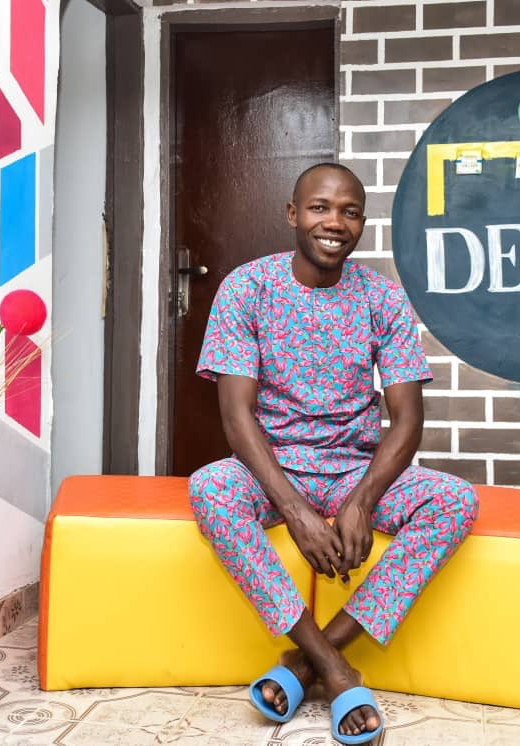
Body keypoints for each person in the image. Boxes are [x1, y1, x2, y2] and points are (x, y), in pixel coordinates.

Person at [188, 162, 478, 745]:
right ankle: (338, 672)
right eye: (320, 208)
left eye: (350, 212)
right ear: (293, 214)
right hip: (272, 468)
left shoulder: (382, 297)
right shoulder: (247, 288)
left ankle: (305, 662)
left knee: (454, 501)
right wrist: (296, 512)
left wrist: (362, 501)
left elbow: (408, 419)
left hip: (353, 469)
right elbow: (236, 418)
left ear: (361, 224)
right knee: (210, 488)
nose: (334, 223)